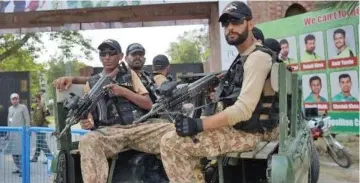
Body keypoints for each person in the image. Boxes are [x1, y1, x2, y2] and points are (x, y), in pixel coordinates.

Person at [159, 2, 279, 182]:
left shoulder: (257, 58)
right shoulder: (244, 58)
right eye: (225, 23)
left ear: (250, 24)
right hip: (243, 127)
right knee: (168, 133)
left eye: (236, 21)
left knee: (172, 144)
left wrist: (199, 124)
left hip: (253, 133)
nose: (230, 28)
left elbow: (243, 110)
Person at [77, 39, 174, 183]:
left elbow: (148, 104)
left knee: (176, 129)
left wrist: (124, 92)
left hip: (137, 128)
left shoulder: (130, 75)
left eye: (112, 53)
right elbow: (88, 116)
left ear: (120, 56)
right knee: (87, 141)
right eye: (103, 54)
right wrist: (87, 122)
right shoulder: (91, 83)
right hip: (110, 133)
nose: (107, 57)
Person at [3, 93, 30, 177]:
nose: (15, 100)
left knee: (21, 152)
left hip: (21, 134)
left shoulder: (23, 107)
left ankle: (23, 169)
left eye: (16, 98)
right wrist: (8, 132)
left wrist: (27, 130)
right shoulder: (10, 108)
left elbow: (27, 119)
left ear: (19, 99)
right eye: (13, 99)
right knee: (13, 152)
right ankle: (19, 167)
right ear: (11, 100)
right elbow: (9, 121)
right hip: (12, 135)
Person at [30, 94, 53, 164]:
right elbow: (35, 117)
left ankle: (50, 157)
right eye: (34, 99)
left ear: (38, 99)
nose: (34, 100)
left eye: (36, 98)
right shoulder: (35, 106)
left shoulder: (42, 105)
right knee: (39, 142)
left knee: (42, 142)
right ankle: (35, 157)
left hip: (42, 126)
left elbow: (47, 114)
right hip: (38, 127)